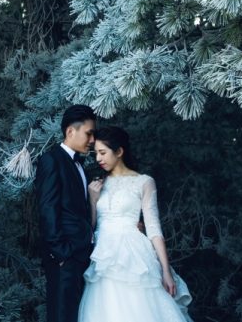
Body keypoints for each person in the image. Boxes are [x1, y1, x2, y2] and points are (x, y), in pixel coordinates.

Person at [78, 126, 193, 322]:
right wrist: (92, 200)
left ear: (120, 151)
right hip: (103, 257)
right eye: (96, 153)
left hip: (133, 254)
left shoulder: (144, 182)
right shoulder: (97, 184)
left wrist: (166, 270)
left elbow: (154, 228)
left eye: (102, 152)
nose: (98, 159)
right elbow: (90, 227)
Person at [35, 105, 96, 322]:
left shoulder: (82, 167)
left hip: (82, 255)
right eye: (88, 133)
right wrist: (61, 253)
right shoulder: (51, 160)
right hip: (65, 258)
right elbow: (47, 209)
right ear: (71, 131)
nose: (92, 140)